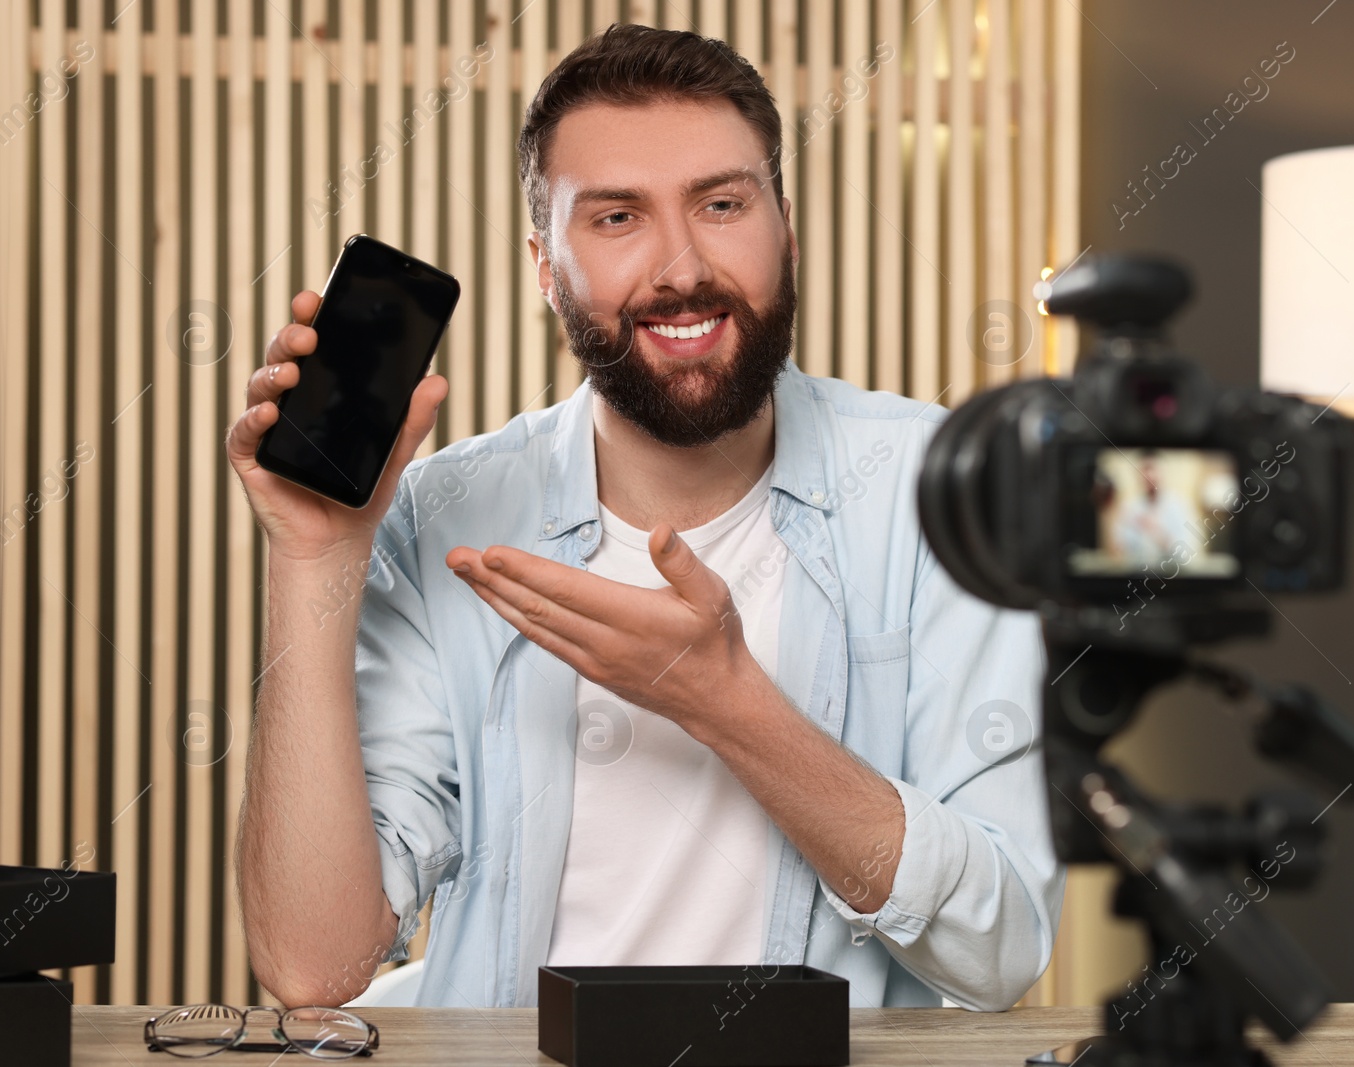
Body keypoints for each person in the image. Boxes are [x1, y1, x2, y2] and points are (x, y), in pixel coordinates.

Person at [230, 23, 1063, 1011]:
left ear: (784, 228)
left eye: (720, 204)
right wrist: (311, 556)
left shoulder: (942, 487)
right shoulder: (442, 512)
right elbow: (311, 968)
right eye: (617, 217)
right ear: (546, 267)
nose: (680, 267)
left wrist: (728, 704)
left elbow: (1000, 948)